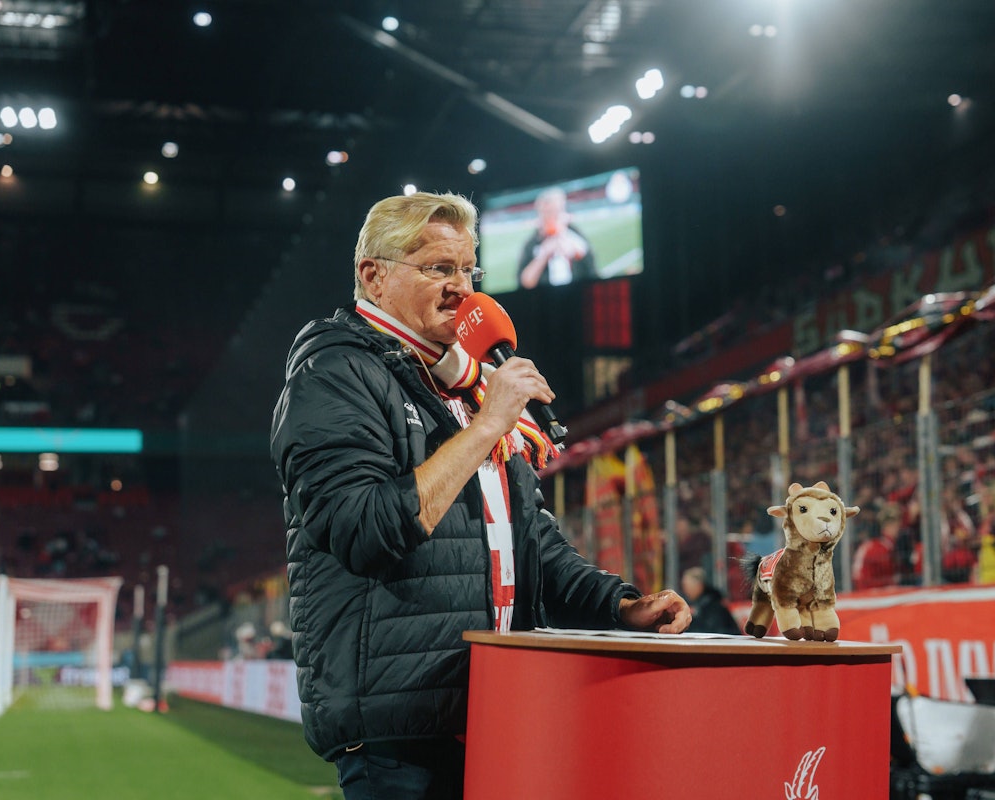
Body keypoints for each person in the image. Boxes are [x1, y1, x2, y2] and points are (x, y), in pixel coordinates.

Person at [270, 191, 691, 800]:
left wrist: (621, 608)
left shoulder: (467, 389)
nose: (461, 288)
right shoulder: (335, 373)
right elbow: (362, 532)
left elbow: (533, 547)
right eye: (439, 268)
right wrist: (487, 426)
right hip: (401, 731)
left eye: (469, 271)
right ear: (374, 276)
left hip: (497, 710)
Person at [517, 186, 596, 288]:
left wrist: (570, 247)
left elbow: (591, 269)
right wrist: (544, 255)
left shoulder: (574, 234)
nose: (551, 217)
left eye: (556, 211)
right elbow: (525, 282)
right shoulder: (532, 243)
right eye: (547, 212)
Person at [680, 566, 741, 634]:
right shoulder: (697, 602)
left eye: (687, 586)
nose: (685, 590)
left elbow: (709, 631)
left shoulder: (713, 604)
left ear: (699, 585)